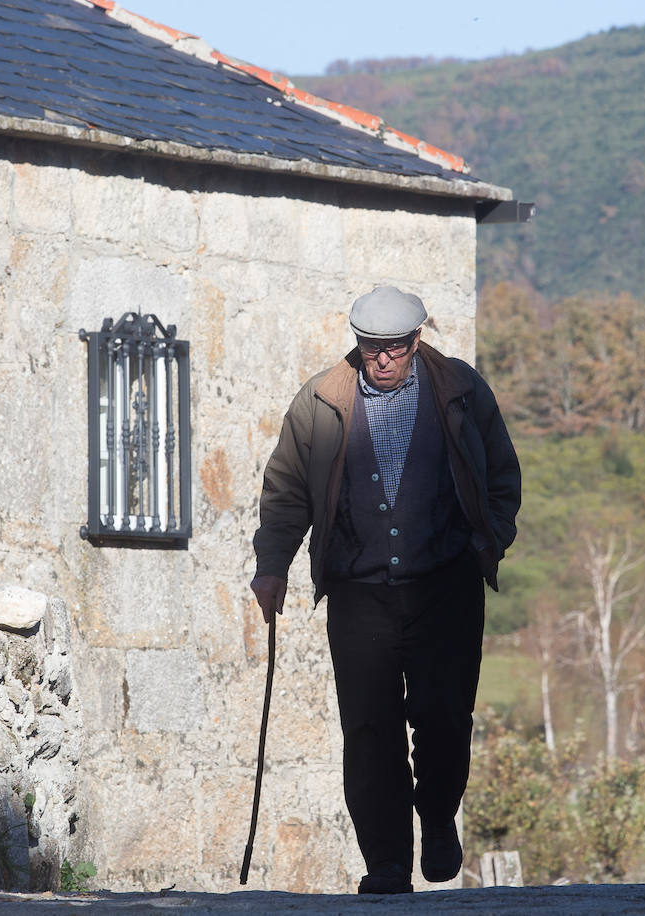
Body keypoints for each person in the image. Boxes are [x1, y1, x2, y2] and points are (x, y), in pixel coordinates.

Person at [250, 286, 521, 894]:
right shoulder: (321, 401)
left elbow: (501, 472)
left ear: (416, 340)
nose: (382, 359)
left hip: (445, 583)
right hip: (358, 587)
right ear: (359, 343)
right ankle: (388, 864)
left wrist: (489, 541)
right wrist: (273, 566)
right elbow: (287, 489)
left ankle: (438, 815)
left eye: (394, 347)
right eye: (371, 347)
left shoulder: (461, 390)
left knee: (444, 715)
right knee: (370, 729)